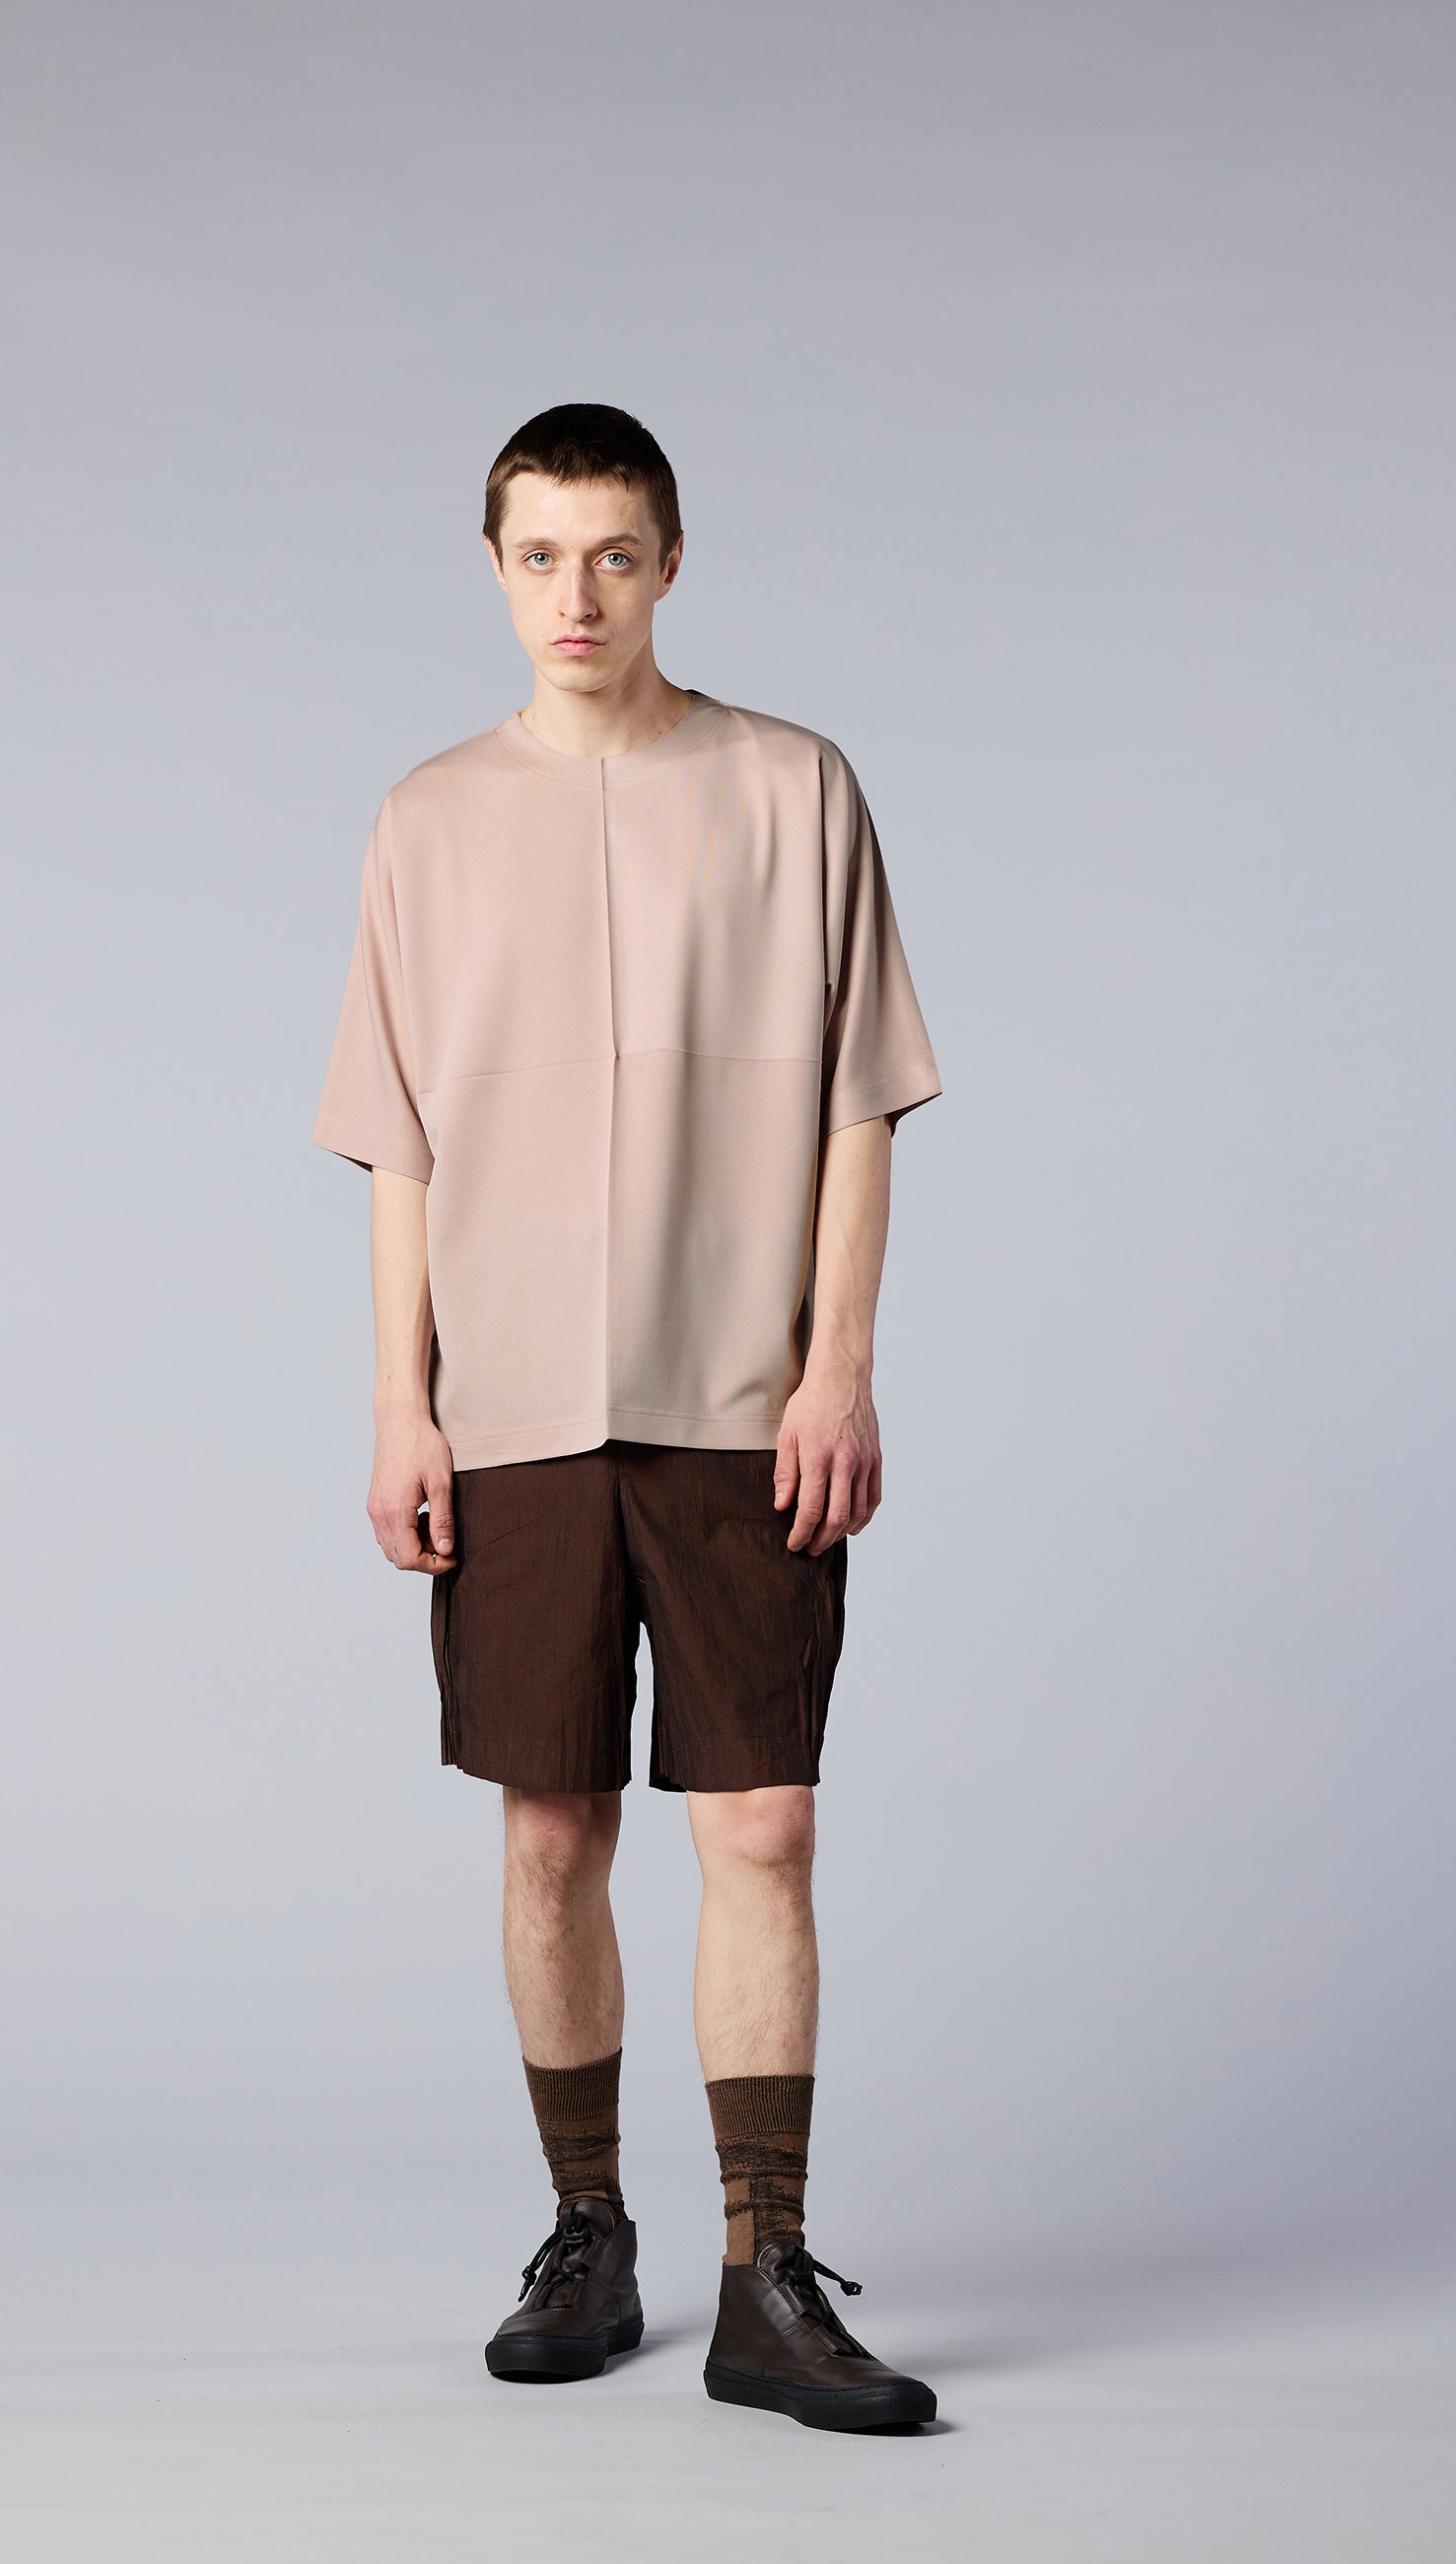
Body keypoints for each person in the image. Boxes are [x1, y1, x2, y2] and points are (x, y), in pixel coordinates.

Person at [312, 402, 942, 2432]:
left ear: (671, 563)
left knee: (765, 1818)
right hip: (508, 1402)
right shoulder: (426, 818)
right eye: (538, 555)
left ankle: (769, 2274)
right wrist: (399, 1404)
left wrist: (840, 1364)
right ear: (495, 570)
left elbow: (860, 1102)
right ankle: (589, 2231)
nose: (574, 594)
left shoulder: (793, 787)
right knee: (553, 1824)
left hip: (741, 1393)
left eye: (611, 553)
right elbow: (399, 1145)